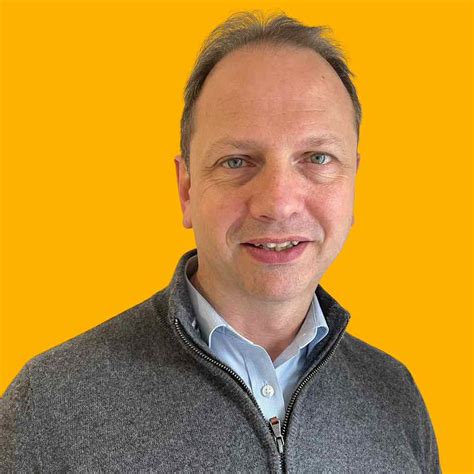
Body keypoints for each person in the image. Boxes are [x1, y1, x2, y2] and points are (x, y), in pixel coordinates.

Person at [0, 11, 440, 472]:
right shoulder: (48, 407)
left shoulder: (396, 398)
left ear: (352, 181)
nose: (278, 203)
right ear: (187, 189)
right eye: (236, 161)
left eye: (317, 158)